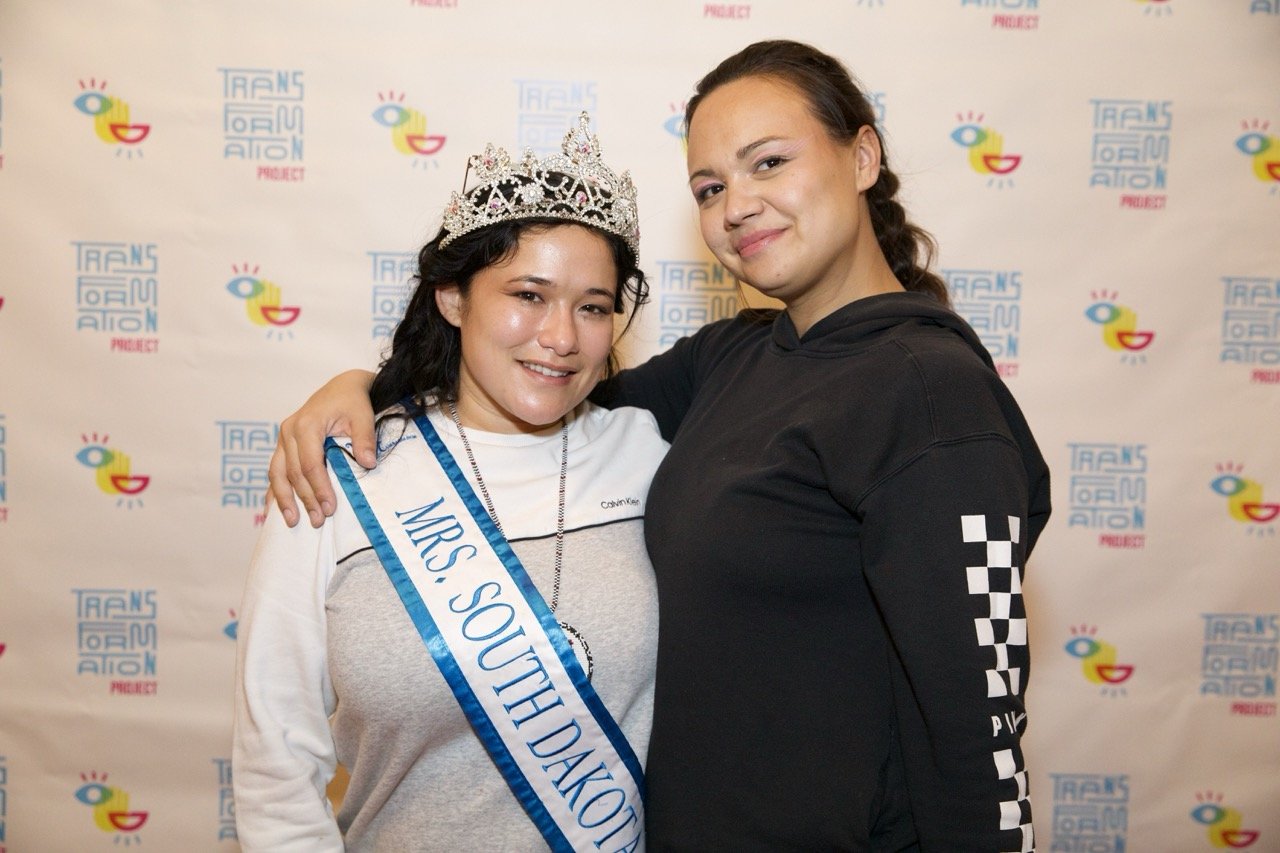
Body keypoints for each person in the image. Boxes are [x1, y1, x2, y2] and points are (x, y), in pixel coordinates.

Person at [269, 41, 1052, 852]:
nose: (736, 206)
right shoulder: (732, 357)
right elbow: (541, 385)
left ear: (862, 156)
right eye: (710, 188)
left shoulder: (930, 394)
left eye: (769, 162)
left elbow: (978, 733)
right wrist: (368, 386)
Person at [233, 114, 669, 851]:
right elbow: (275, 763)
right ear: (452, 298)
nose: (562, 336)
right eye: (528, 295)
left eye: (593, 307)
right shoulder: (342, 471)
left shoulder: (650, 454)